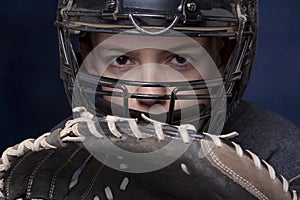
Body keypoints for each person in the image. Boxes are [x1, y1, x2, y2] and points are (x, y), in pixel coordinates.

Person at [0, 0, 299, 199]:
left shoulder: (282, 153)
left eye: (180, 59)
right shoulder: (60, 158)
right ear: (85, 55)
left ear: (223, 57)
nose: (150, 92)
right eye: (121, 59)